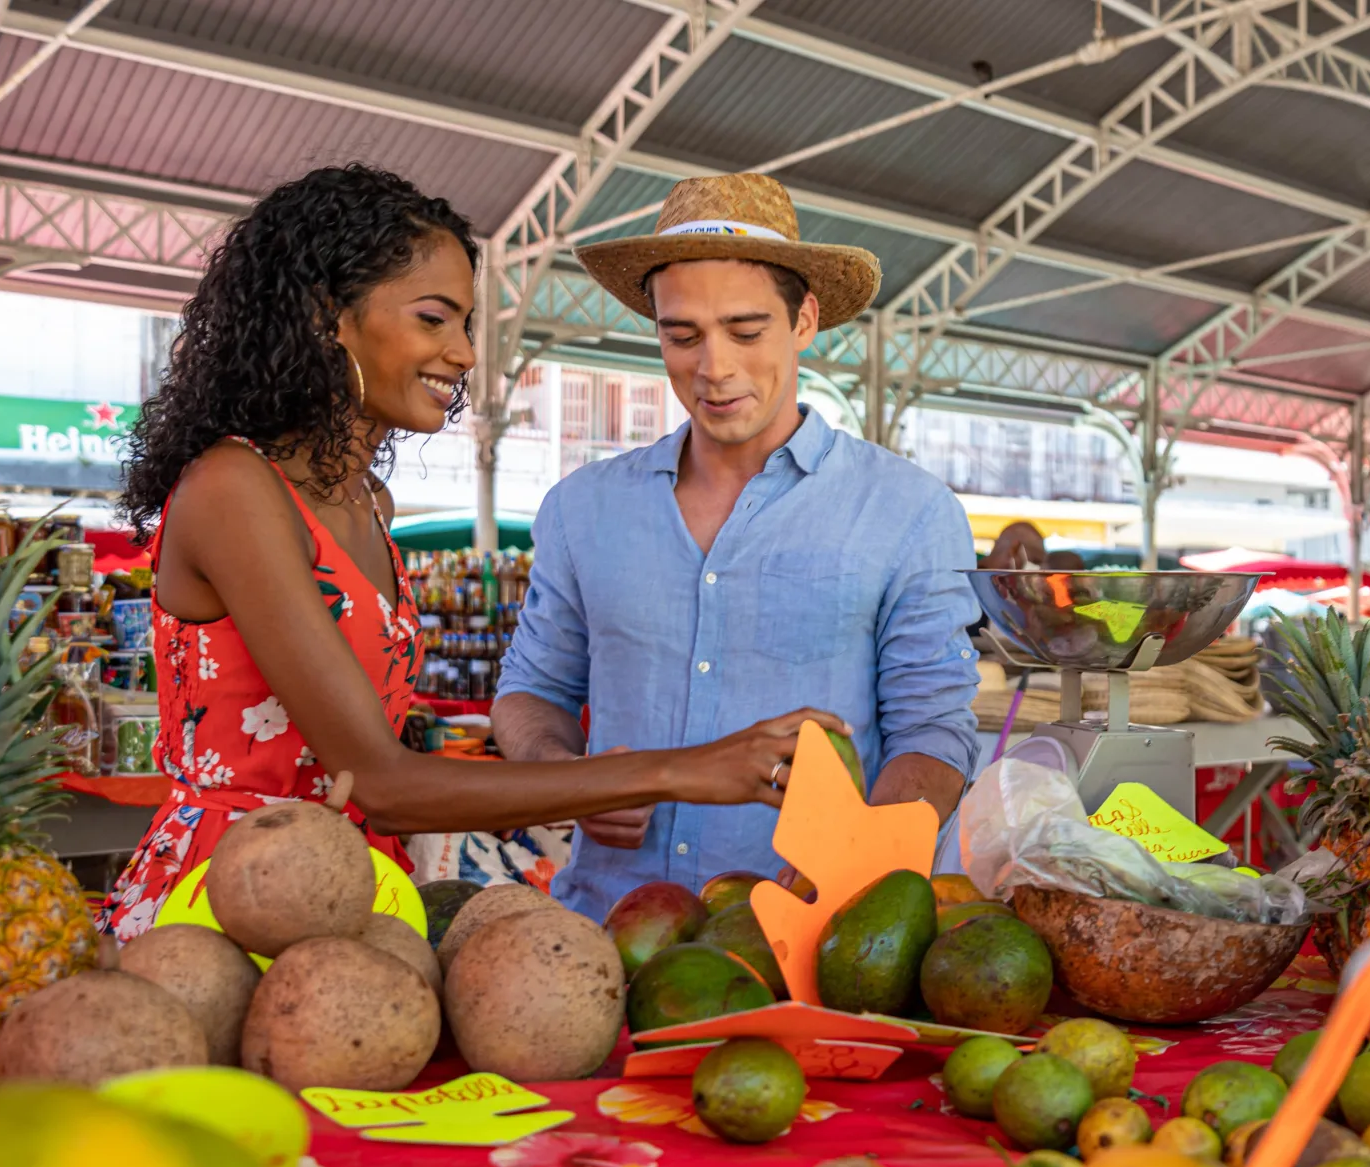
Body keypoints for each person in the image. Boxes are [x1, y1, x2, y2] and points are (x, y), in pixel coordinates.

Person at [101, 165, 843, 938]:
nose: (461, 353)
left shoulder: (367, 502)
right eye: (434, 319)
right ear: (329, 316)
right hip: (229, 900)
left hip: (352, 891)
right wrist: (684, 767)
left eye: (464, 325)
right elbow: (380, 780)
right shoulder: (234, 488)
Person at [493, 172, 981, 920]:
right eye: (681, 335)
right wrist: (567, 775)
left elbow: (933, 732)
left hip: (807, 944)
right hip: (603, 932)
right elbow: (532, 689)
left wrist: (860, 864)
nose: (713, 367)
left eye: (746, 331)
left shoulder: (906, 511)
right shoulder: (582, 510)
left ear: (805, 319)